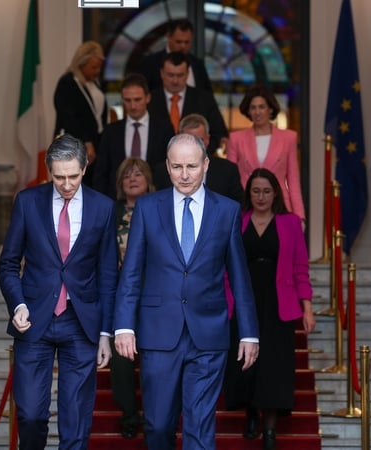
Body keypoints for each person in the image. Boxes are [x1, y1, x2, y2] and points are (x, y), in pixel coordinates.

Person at [114, 133, 260, 450]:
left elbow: (240, 276)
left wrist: (249, 332)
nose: (184, 174)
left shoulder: (227, 210)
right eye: (177, 166)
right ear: (167, 167)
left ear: (206, 164)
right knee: (158, 425)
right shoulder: (147, 207)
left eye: (191, 166)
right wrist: (124, 325)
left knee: (200, 425)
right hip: (158, 331)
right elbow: (132, 271)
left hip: (208, 332)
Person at [0, 134, 118, 450]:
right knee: (30, 416)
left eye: (73, 176)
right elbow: (8, 264)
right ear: (49, 171)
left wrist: (105, 333)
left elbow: (108, 276)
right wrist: (18, 304)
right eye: (59, 177)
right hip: (33, 319)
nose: (66, 184)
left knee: (76, 421)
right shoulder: (28, 202)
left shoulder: (104, 208)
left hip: (81, 322)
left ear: (85, 168)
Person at [224, 168, 315, 450]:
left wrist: (307, 308)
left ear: (276, 193)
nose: (261, 196)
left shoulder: (290, 223)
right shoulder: (237, 220)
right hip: (244, 300)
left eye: (266, 191)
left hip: (279, 302)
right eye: (256, 191)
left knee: (274, 365)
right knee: (245, 361)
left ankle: (270, 429)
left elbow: (300, 267)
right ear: (248, 193)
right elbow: (225, 265)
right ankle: (251, 413)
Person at [108, 158, 156, 438]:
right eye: (127, 175)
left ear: (148, 180)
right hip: (119, 295)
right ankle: (129, 416)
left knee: (154, 360)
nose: (133, 178)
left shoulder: (160, 209)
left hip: (153, 294)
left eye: (138, 174)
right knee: (121, 362)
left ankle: (155, 417)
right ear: (120, 183)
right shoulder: (110, 213)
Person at [227, 84, 306, 221]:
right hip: (246, 207)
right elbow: (230, 180)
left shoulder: (289, 138)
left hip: (279, 205)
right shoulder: (236, 139)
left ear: (270, 109)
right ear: (248, 111)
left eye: (262, 107)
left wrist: (300, 216)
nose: (257, 112)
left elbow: (293, 180)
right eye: (253, 107)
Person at [93, 73, 175, 199]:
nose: (133, 106)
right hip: (118, 201)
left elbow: (171, 166)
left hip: (156, 198)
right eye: (127, 100)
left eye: (137, 100)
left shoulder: (164, 129)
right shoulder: (111, 131)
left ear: (148, 98)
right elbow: (101, 172)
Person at [147, 51, 228, 154]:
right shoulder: (149, 100)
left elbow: (218, 134)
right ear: (162, 73)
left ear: (187, 74)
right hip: (158, 161)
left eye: (180, 75)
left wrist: (198, 153)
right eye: (170, 75)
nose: (175, 81)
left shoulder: (204, 99)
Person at [53, 41, 108, 186]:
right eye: (94, 67)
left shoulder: (94, 83)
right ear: (81, 64)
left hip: (97, 141)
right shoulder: (68, 83)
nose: (97, 71)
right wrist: (86, 141)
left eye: (99, 67)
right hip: (76, 144)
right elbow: (69, 117)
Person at [153, 113, 243, 201]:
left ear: (208, 139)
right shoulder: (162, 171)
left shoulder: (228, 170)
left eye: (199, 140)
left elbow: (237, 205)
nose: (194, 146)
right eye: (189, 140)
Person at [139, 18, 212, 93]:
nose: (183, 46)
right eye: (178, 42)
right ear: (168, 37)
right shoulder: (150, 63)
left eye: (187, 42)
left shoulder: (198, 65)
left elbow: (207, 96)